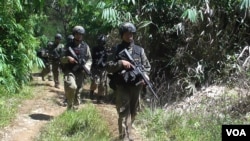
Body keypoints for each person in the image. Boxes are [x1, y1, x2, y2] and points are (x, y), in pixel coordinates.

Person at [105, 22, 151, 140]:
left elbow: (147, 66)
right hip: (122, 86)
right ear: (122, 35)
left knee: (134, 112)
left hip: (136, 86)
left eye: (131, 33)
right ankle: (123, 138)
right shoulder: (116, 49)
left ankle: (128, 134)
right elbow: (108, 66)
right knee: (124, 113)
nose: (129, 35)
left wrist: (146, 76)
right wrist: (121, 63)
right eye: (126, 33)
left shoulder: (140, 50)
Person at [60, 25, 92, 110]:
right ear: (74, 34)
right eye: (77, 34)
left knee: (78, 91)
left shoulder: (86, 46)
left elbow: (89, 59)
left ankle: (75, 109)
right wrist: (68, 58)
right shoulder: (68, 46)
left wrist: (86, 67)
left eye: (81, 34)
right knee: (72, 86)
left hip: (80, 71)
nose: (79, 36)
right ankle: (69, 105)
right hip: (70, 70)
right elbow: (61, 59)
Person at [89, 34, 108, 103]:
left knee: (102, 83)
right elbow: (91, 58)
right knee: (95, 82)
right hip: (95, 68)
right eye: (100, 42)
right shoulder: (94, 49)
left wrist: (104, 63)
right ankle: (91, 91)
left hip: (103, 69)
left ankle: (100, 97)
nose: (101, 44)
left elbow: (108, 60)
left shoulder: (105, 51)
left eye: (102, 42)